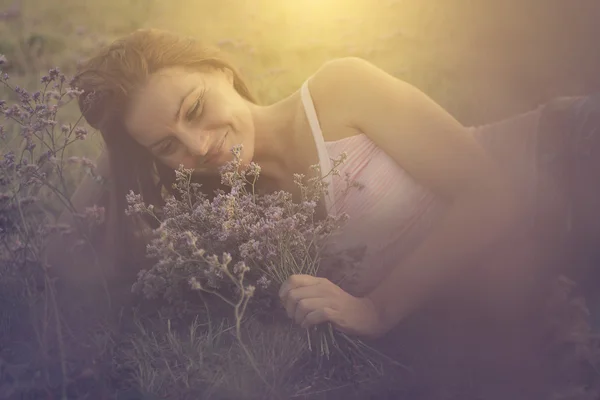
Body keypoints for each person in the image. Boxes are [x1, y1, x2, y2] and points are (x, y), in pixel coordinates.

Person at [54, 28, 599, 344]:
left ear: (219, 70)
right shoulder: (237, 222)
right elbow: (85, 253)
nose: (196, 147)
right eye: (167, 146)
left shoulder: (338, 92)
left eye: (194, 108)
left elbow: (495, 195)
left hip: (564, 152)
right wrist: (121, 149)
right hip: (546, 256)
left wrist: (378, 309)